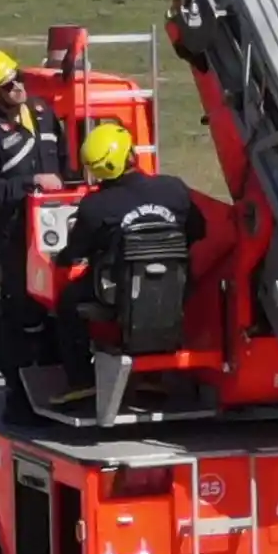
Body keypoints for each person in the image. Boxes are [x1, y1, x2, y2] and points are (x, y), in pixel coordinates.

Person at [52, 122, 206, 401]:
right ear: (131, 155)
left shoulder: (95, 206)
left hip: (116, 292)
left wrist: (60, 258)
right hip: (176, 288)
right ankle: (152, 377)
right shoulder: (174, 189)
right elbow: (198, 231)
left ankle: (81, 380)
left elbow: (75, 252)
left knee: (67, 302)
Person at [0, 48, 68, 425]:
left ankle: (62, 385)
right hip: (16, 237)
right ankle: (19, 396)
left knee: (62, 310)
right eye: (9, 86)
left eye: (19, 79)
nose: (18, 88)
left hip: (56, 233)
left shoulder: (44, 114)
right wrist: (30, 182)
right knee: (21, 314)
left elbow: (65, 166)